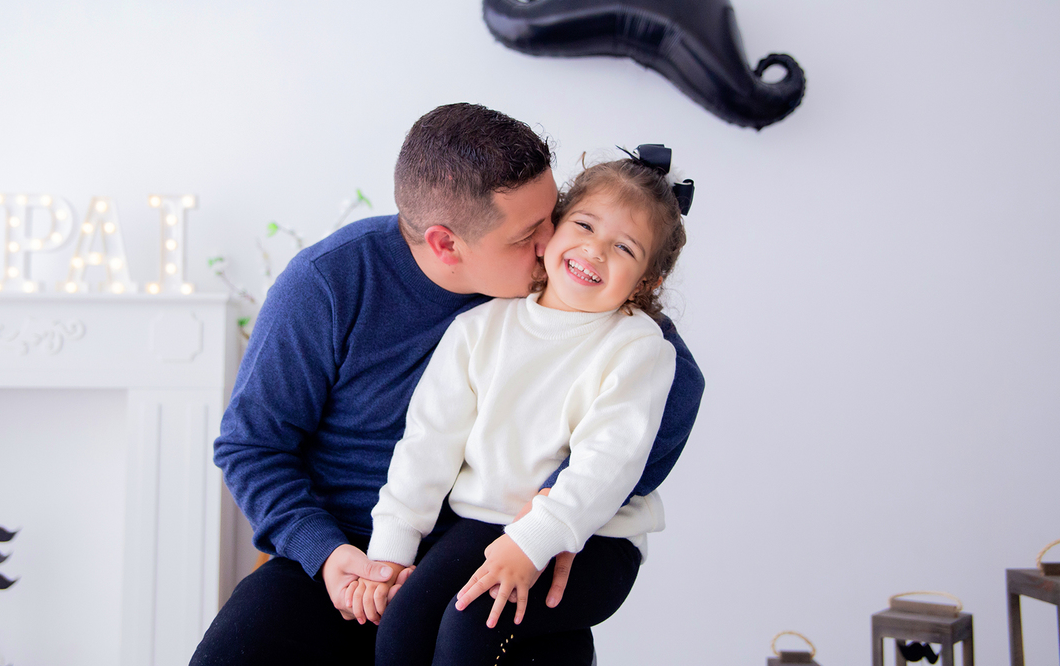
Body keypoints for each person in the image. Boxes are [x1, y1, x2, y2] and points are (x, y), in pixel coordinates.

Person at [190, 104, 704, 665]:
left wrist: (549, 513)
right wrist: (327, 552)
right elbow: (252, 445)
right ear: (446, 245)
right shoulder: (330, 284)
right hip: (355, 549)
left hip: (493, 543)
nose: (553, 243)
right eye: (528, 234)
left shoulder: (581, 300)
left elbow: (675, 388)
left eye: (552, 214)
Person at [348, 148, 690, 665]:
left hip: (594, 538)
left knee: (472, 628)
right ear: (551, 229)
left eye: (623, 247)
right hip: (482, 525)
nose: (594, 251)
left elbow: (609, 461)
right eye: (584, 225)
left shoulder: (637, 347)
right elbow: (427, 445)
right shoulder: (478, 329)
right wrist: (391, 551)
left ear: (646, 283)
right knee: (402, 628)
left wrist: (535, 542)